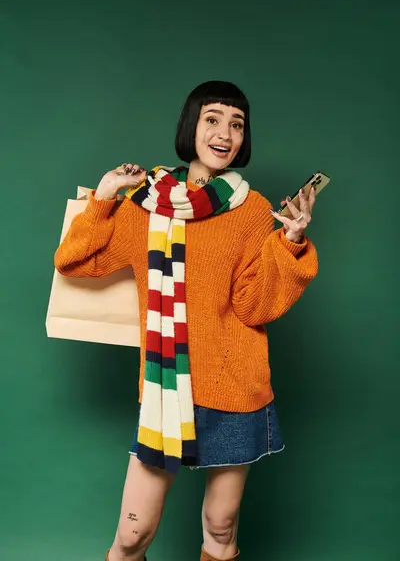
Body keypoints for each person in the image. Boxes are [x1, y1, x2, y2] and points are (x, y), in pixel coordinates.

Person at [54, 80, 319, 561]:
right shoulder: (144, 204)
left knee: (220, 529)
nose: (225, 133)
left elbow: (253, 305)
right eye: (213, 119)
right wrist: (105, 199)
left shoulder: (254, 211)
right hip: (164, 390)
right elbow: (73, 261)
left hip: (233, 386)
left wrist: (291, 242)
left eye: (236, 124)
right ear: (190, 126)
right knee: (132, 535)